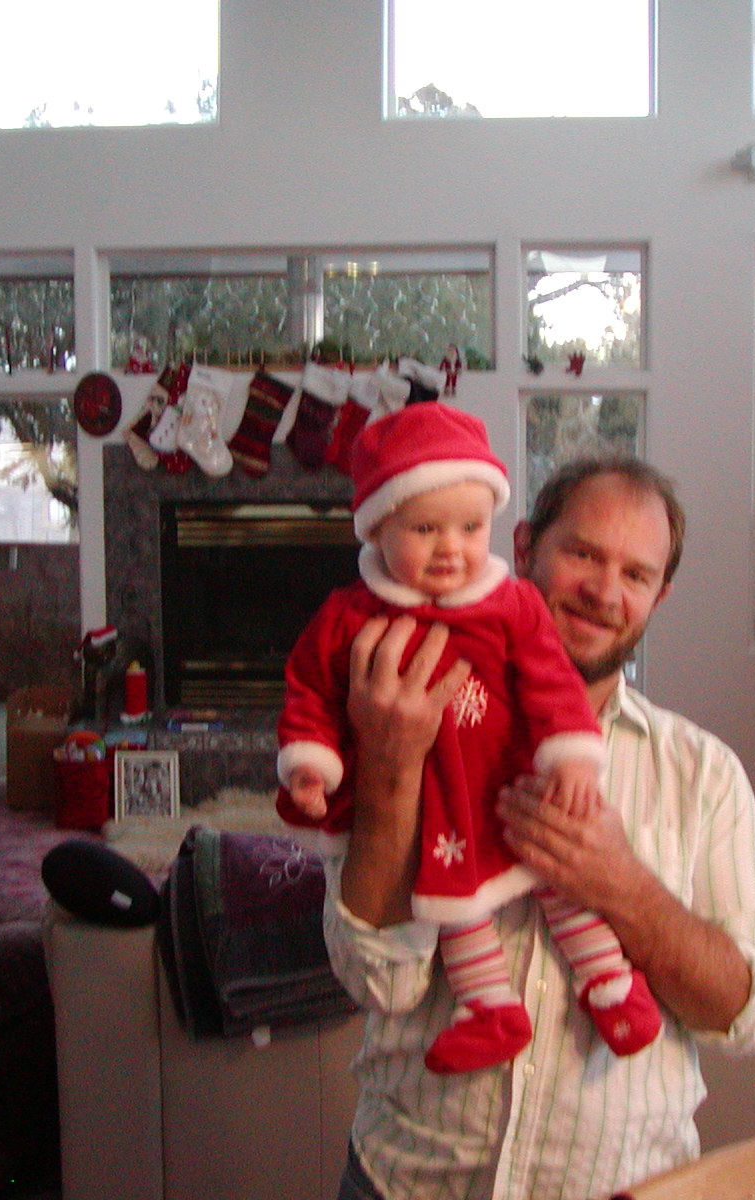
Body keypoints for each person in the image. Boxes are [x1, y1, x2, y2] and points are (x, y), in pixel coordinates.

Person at [323, 455, 755, 1200]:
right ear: (524, 547)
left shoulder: (704, 775)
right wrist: (388, 774)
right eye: (582, 554)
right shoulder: (398, 716)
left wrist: (623, 887)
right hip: (405, 1183)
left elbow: (750, 1015)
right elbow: (374, 978)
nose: (604, 592)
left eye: (635, 574)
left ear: (659, 595)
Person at [277, 403, 662, 1074]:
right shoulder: (346, 617)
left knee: (559, 867)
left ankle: (612, 982)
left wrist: (572, 753)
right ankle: (489, 1007)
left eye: (469, 528)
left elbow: (550, 680)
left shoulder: (510, 606)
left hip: (511, 780)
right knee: (452, 891)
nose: (451, 548)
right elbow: (308, 690)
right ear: (379, 526)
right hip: (435, 804)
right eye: (425, 529)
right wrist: (314, 762)